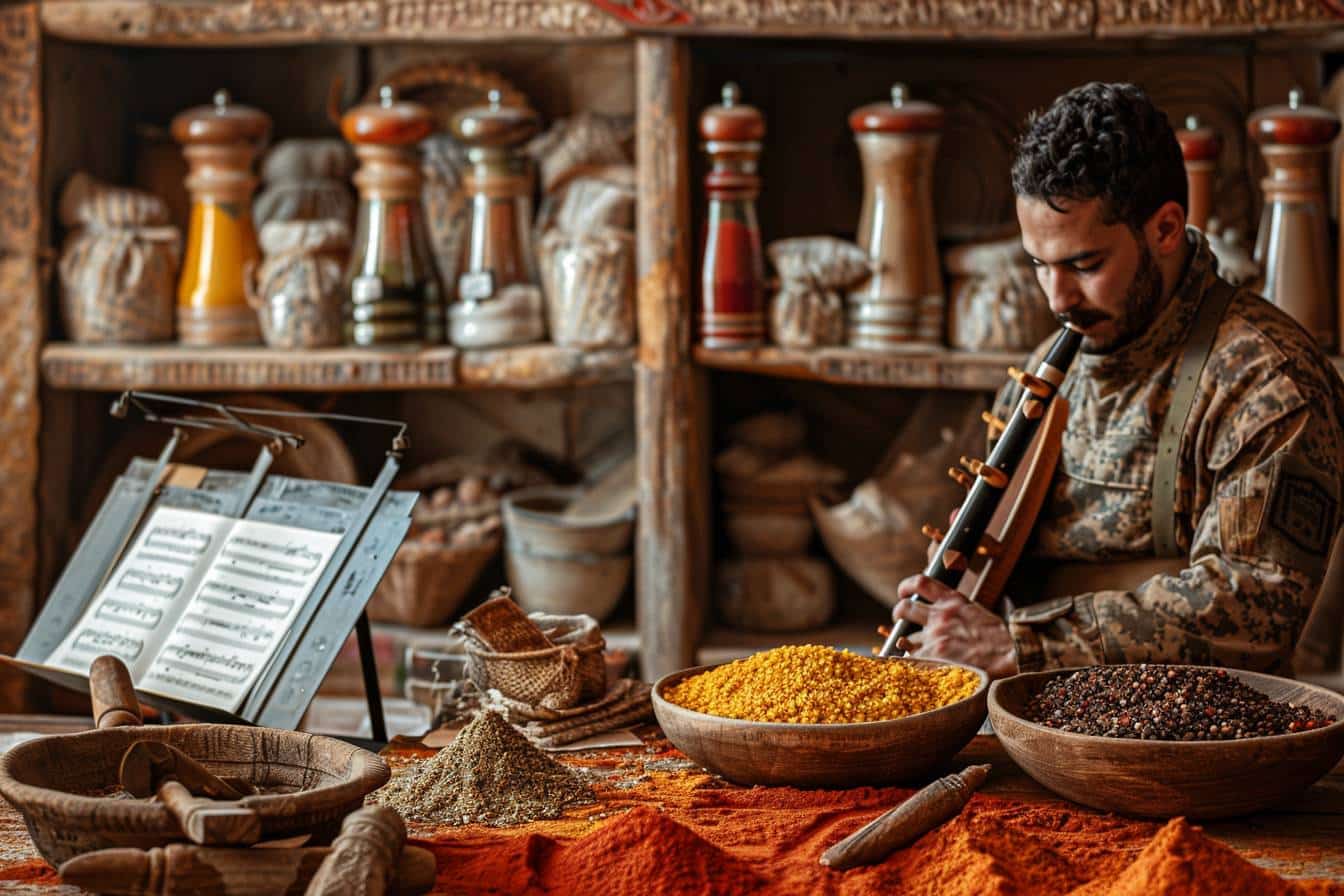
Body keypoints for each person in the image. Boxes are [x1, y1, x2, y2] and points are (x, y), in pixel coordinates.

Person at [891, 81, 1344, 678]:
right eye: (1039, 265)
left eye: (1084, 265)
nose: (1058, 299)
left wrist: (1022, 645)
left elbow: (1255, 605)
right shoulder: (1041, 377)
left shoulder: (1267, 381)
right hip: (1031, 720)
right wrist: (970, 579)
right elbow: (998, 595)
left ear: (1164, 229)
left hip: (1187, 738)